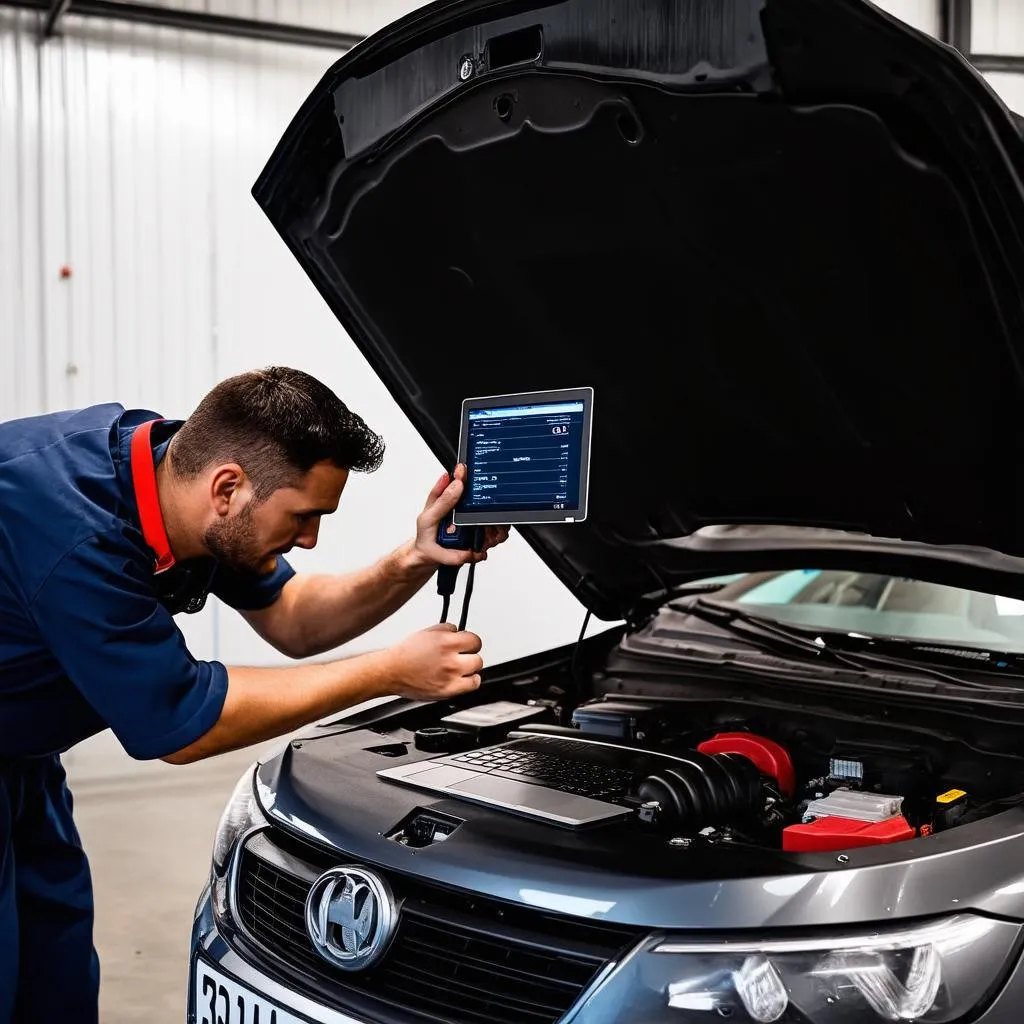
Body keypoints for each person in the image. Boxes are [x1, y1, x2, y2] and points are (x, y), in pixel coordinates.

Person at [0, 366, 509, 1023]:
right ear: (228, 488)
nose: (309, 540)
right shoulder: (75, 532)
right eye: (303, 517)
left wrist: (412, 559)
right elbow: (182, 724)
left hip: (24, 759)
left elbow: (295, 617)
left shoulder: (174, 479)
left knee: (53, 977)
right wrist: (387, 671)